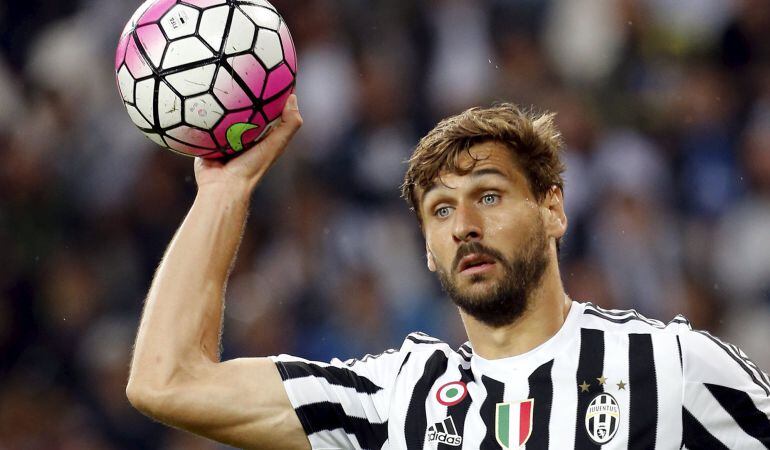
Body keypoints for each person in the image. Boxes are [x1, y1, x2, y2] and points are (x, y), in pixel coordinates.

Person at [126, 95, 770, 449]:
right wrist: (222, 194)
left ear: (552, 209)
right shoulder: (393, 398)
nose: (463, 224)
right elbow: (168, 380)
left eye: (488, 195)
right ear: (429, 250)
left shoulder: (672, 366)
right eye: (440, 210)